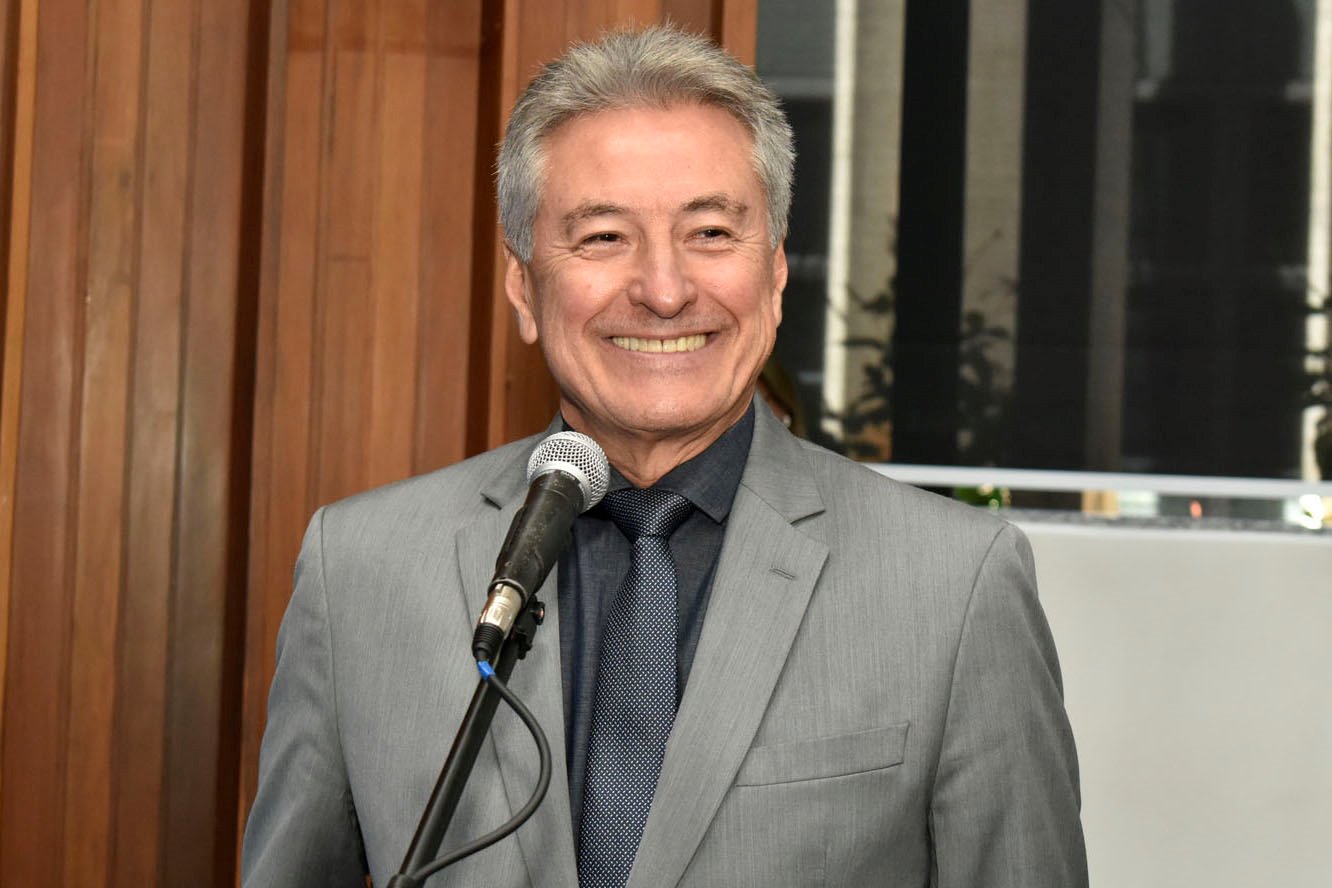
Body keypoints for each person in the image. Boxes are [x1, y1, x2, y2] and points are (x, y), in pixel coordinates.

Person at [242, 26, 1087, 887]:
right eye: (604, 237)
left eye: (711, 232)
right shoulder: (361, 573)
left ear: (776, 275)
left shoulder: (953, 585)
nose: (664, 290)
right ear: (524, 287)